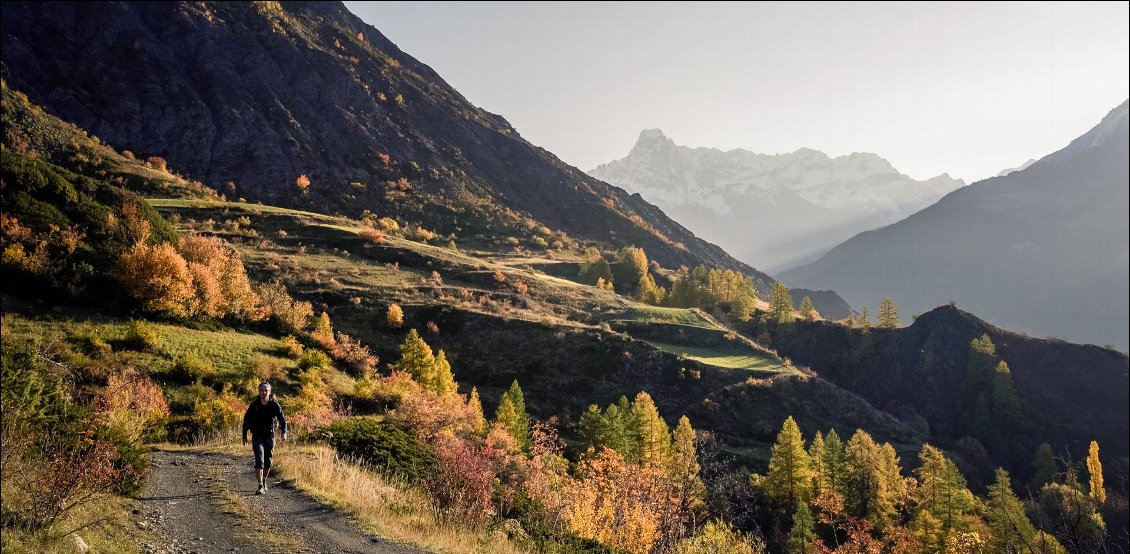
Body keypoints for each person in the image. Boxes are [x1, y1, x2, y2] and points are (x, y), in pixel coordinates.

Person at [242, 381, 287, 495]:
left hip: (269, 436)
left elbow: (282, 419)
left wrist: (284, 432)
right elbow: (246, 420)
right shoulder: (254, 405)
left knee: (268, 462)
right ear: (259, 391)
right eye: (262, 390)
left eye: (266, 390)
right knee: (259, 460)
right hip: (257, 436)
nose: (263, 392)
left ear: (269, 392)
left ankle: (264, 480)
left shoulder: (274, 405)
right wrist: (244, 436)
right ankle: (260, 485)